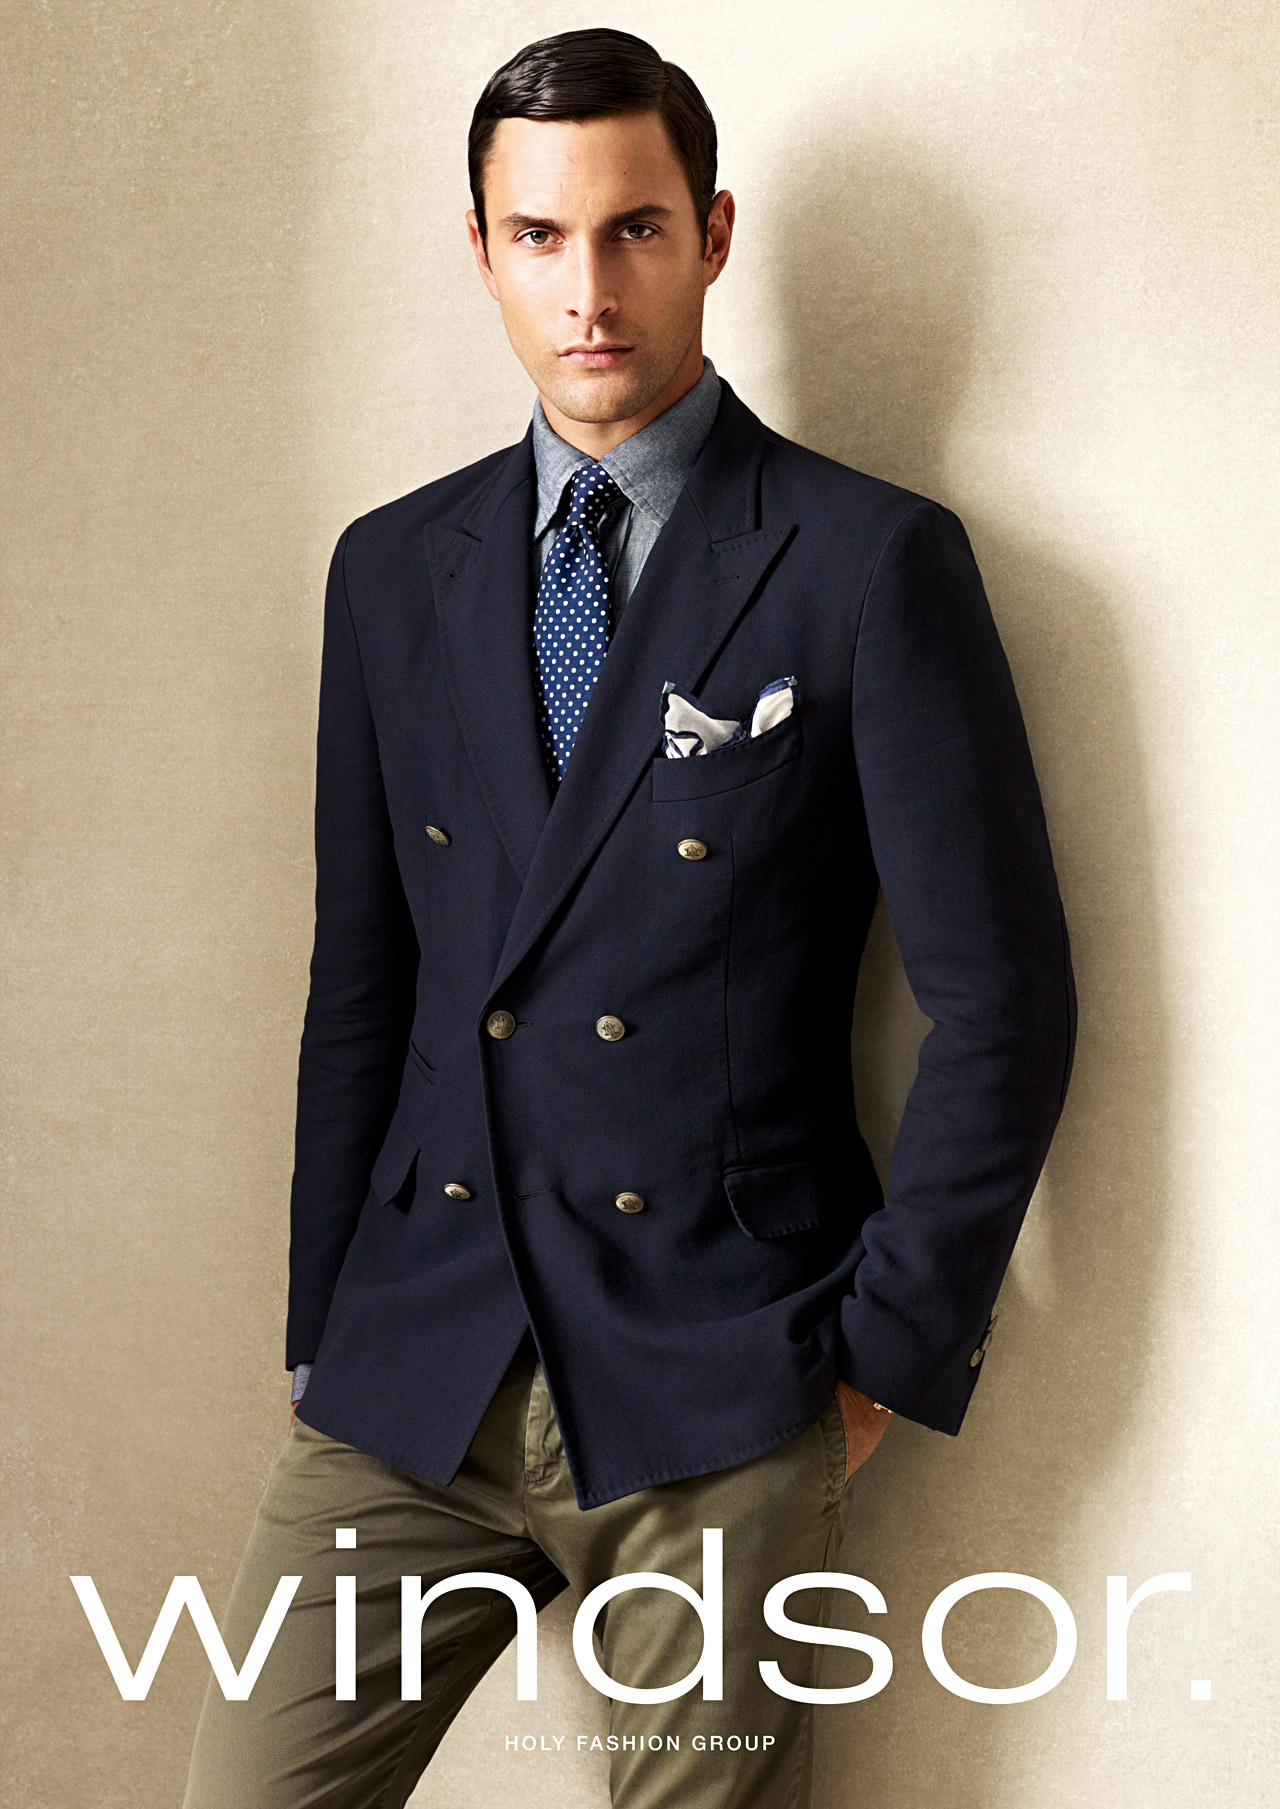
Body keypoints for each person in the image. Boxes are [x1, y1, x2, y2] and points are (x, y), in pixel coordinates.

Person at [182, 26, 1076, 1809]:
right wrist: (319, 1329)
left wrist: (875, 1362)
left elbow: (1004, 1006)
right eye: (539, 236)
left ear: (713, 234)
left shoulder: (866, 560)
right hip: (416, 1359)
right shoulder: (390, 567)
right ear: (481, 249)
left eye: (634, 231)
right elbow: (362, 985)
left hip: (722, 1372)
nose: (588, 291)